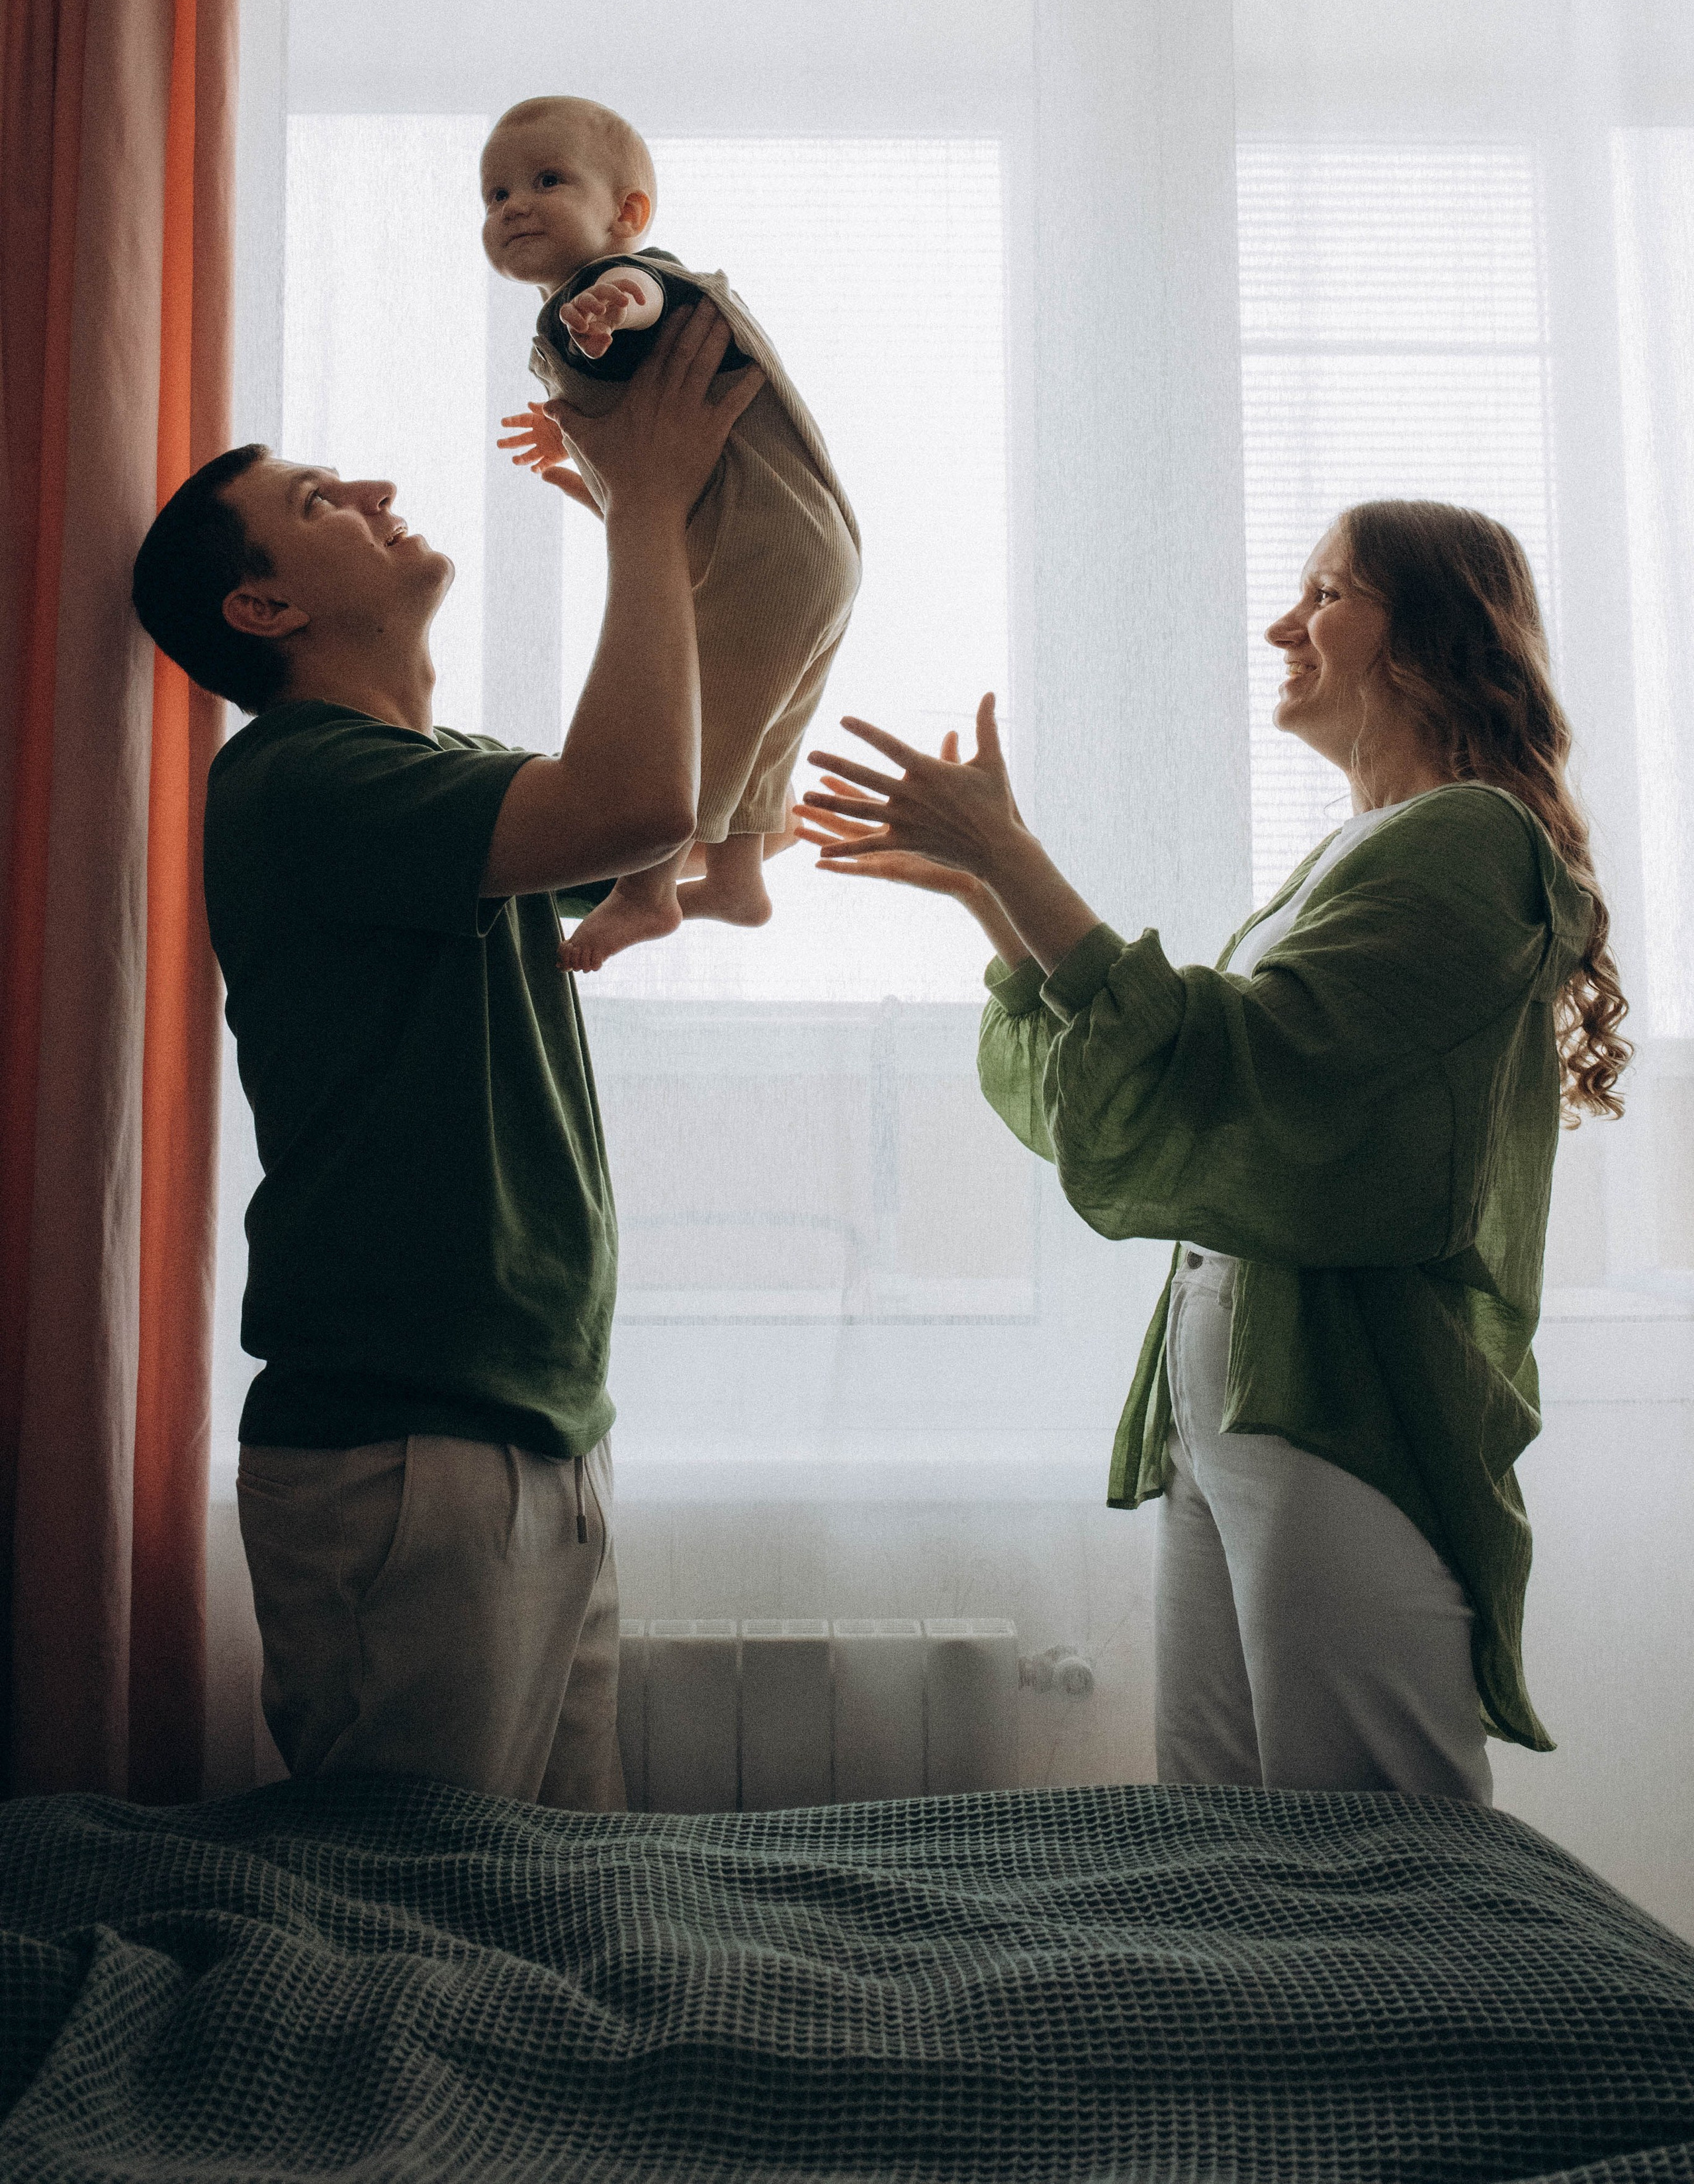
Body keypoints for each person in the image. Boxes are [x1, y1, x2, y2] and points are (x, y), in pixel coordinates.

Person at [797, 500, 1630, 1802]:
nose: (1280, 624)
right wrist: (988, 891)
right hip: (1234, 1406)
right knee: (1219, 1811)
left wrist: (1012, 860)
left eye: (1327, 592)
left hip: (1337, 1406)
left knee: (1365, 1831)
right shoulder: (1352, 855)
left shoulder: (1468, 843)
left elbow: (1253, 1066)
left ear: (1430, 638)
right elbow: (1155, 1075)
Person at [130, 300, 764, 1806]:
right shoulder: (297, 781)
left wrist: (663, 513)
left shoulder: (433, 781)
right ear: (266, 612)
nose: (374, 495)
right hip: (404, 1446)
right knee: (410, 1938)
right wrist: (647, 504)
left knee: (542, 1915)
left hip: (522, 1421)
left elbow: (644, 816)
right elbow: (631, 807)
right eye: (316, 505)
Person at [482, 92, 863, 970]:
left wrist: (613, 304)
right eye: (494, 195)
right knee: (757, 726)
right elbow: (661, 499)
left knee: (700, 719)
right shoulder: (588, 335)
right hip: (794, 550)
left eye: (546, 180)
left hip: (766, 552)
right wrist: (579, 464)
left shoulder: (614, 291)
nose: (513, 208)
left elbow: (646, 294)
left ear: (628, 213)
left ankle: (647, 893)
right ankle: (736, 882)